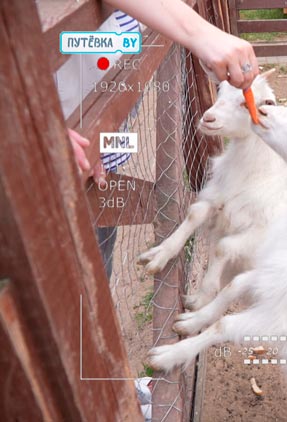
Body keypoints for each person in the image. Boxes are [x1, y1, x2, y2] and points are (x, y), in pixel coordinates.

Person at [63, 0, 260, 275]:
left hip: (89, 130)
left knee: (95, 255)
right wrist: (36, 125)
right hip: (44, 151)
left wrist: (198, 35)